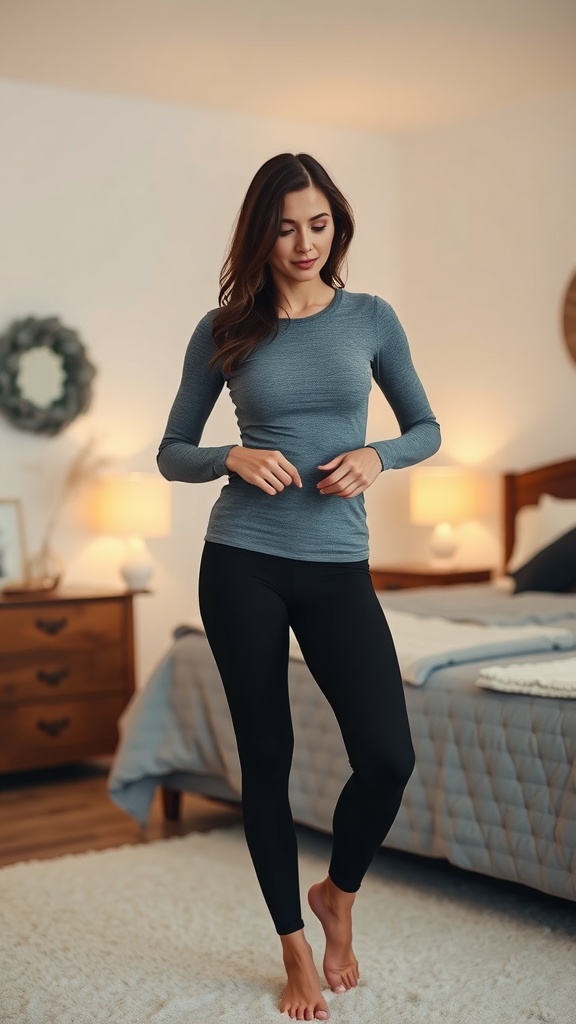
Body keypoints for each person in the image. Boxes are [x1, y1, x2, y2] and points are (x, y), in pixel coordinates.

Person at [157, 152, 441, 1021]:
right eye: (285, 227)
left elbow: (425, 427)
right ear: (260, 233)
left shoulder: (371, 319)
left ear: (336, 224)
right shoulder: (225, 327)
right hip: (242, 561)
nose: (304, 241)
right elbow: (172, 450)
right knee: (267, 764)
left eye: (318, 223)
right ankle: (293, 951)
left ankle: (338, 897)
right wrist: (228, 456)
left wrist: (376, 454)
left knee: (389, 756)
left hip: (337, 566)